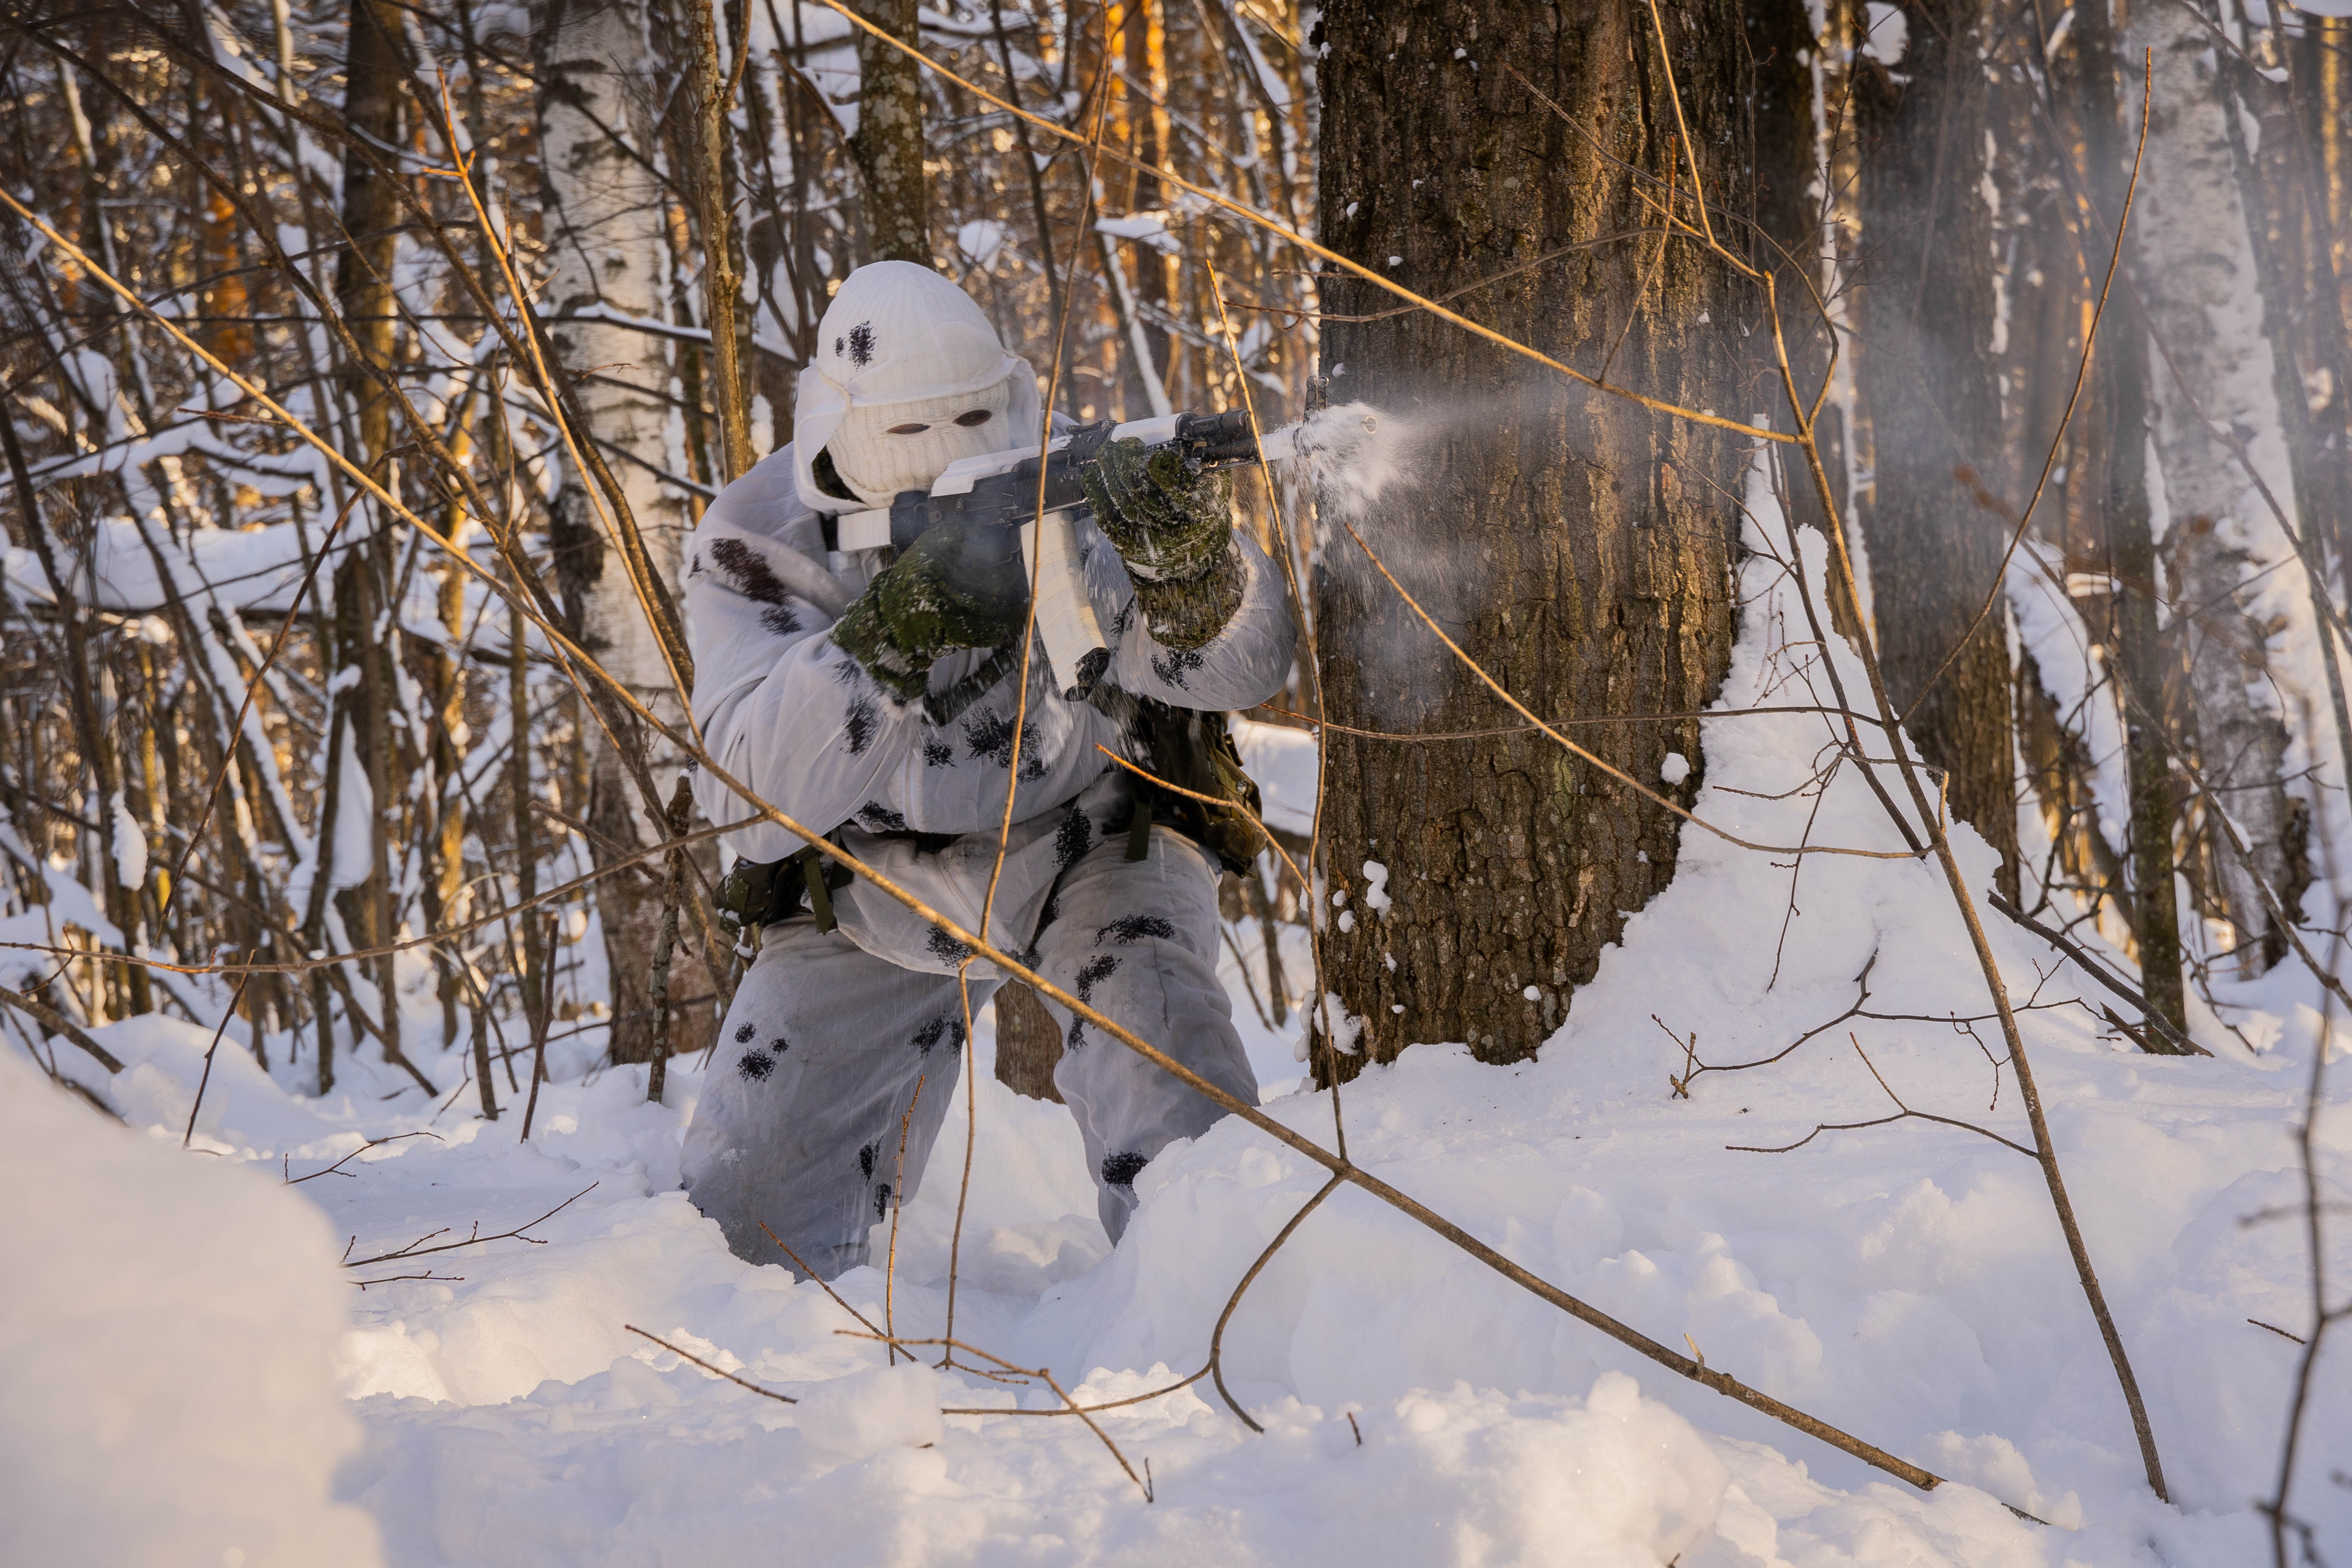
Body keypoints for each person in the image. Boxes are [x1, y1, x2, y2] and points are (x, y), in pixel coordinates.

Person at [676, 261, 1295, 1278]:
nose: (941, 459)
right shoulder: (761, 541)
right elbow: (751, 807)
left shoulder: (1067, 484)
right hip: (866, 889)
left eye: (968, 420)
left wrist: (1189, 571)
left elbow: (1244, 667)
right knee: (742, 1241)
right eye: (909, 436)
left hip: (1090, 845)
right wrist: (891, 637)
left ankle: (1218, 1331)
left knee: (1196, 1173)